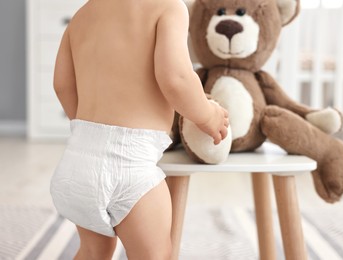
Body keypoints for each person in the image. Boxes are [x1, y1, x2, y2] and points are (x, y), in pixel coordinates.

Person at [50, 0, 229, 259]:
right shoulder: (169, 8)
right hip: (129, 167)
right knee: (154, 254)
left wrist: (88, 129)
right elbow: (176, 79)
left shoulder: (83, 15)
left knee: (93, 251)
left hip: (76, 163)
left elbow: (62, 84)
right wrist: (208, 114)